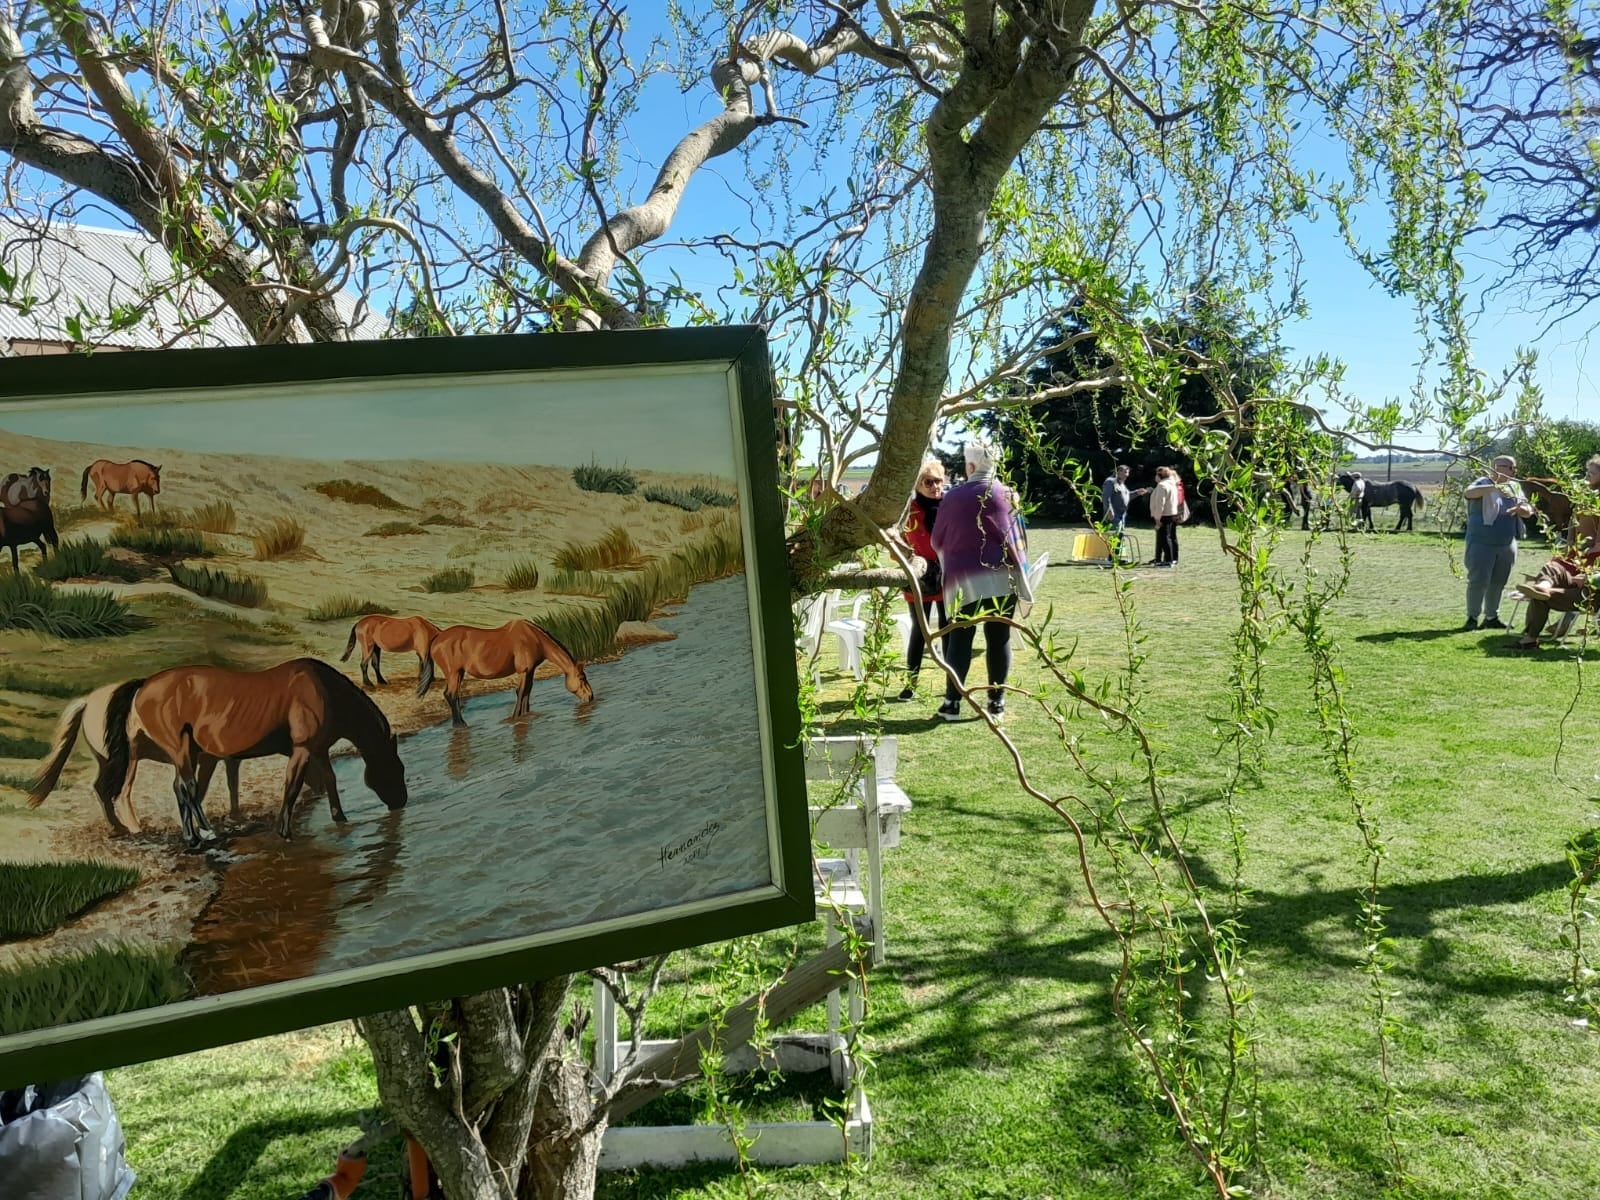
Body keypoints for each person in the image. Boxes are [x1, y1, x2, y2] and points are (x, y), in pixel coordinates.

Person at [930, 437, 1032, 722]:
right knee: (999, 640)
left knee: (960, 639)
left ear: (971, 465)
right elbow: (1020, 536)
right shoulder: (1009, 494)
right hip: (1004, 578)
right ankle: (996, 703)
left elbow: (937, 539)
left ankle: (952, 703)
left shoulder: (954, 497)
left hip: (965, 581)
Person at [1514, 455, 1600, 648]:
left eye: (1592, 473)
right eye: (1588, 471)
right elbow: (1573, 520)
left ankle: (1531, 635)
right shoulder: (1584, 495)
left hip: (1592, 559)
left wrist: (1594, 550)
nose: (1587, 475)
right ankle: (1543, 586)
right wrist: (1569, 539)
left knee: (1543, 595)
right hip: (1577, 552)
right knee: (1553, 567)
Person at [1462, 454, 1535, 630]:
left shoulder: (1514, 486)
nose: (1514, 471)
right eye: (1511, 468)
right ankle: (1472, 617)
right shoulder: (1482, 483)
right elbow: (1468, 493)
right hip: (1481, 542)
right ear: (1497, 467)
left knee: (1498, 582)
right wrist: (1493, 488)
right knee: (1478, 581)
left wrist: (1521, 509)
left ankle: (1491, 617)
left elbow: (1528, 510)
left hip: (1506, 543)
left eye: (1514, 468)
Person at [897, 460, 948, 699]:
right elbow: (897, 543)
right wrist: (912, 560)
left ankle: (953, 683)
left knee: (949, 629)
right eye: (929, 482)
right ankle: (911, 684)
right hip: (919, 577)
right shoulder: (909, 511)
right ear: (918, 484)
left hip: (948, 575)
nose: (935, 486)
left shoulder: (950, 507)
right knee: (920, 630)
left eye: (939, 481)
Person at [1101, 465, 1149, 562]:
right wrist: (1109, 510)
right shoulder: (1110, 482)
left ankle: (1115, 558)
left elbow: (1127, 496)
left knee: (1119, 535)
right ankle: (1112, 558)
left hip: (1122, 514)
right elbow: (1106, 498)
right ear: (1118, 471)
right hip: (1113, 514)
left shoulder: (1122, 484)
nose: (1127, 475)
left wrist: (1137, 493)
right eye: (1125, 472)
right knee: (1115, 535)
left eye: (1128, 473)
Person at [1148, 466, 1182, 567]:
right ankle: (1173, 558)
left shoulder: (1162, 486)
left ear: (1159, 476)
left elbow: (1160, 504)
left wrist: (1157, 518)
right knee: (1171, 537)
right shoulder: (1172, 484)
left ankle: (1168, 560)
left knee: (1164, 538)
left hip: (1164, 514)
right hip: (1171, 513)